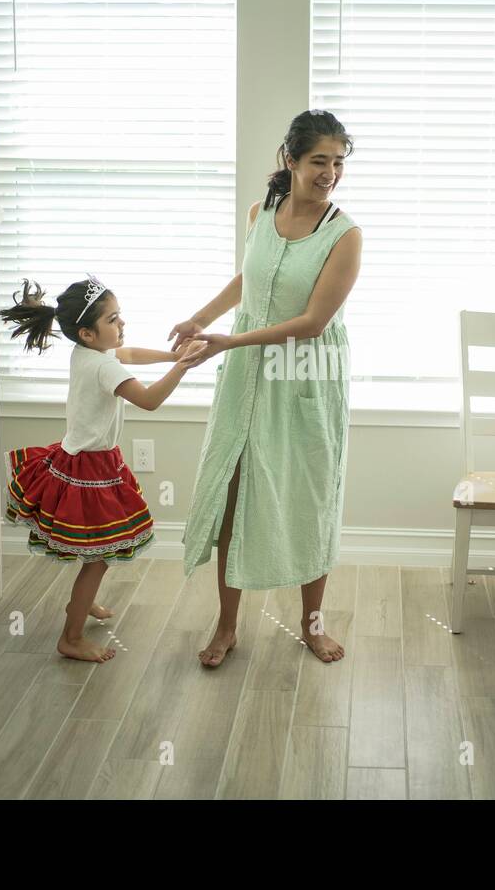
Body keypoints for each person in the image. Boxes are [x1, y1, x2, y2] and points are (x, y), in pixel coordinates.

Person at [171, 109, 363, 667]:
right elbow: (248, 279)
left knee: (310, 498)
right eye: (318, 161)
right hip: (246, 374)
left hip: (306, 376)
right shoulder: (261, 212)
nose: (329, 172)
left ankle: (312, 625)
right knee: (234, 495)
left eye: (338, 162)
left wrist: (230, 343)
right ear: (291, 159)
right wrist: (197, 318)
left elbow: (312, 323)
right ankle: (227, 626)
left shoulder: (345, 236)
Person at [0, 274, 206, 663]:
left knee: (97, 552)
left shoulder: (87, 353)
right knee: (99, 556)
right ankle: (71, 637)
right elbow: (150, 400)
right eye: (113, 319)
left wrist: (170, 356)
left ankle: (82, 603)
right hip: (89, 470)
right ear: (88, 333)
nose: (121, 324)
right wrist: (184, 366)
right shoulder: (102, 367)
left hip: (82, 459)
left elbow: (129, 355)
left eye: (119, 315)